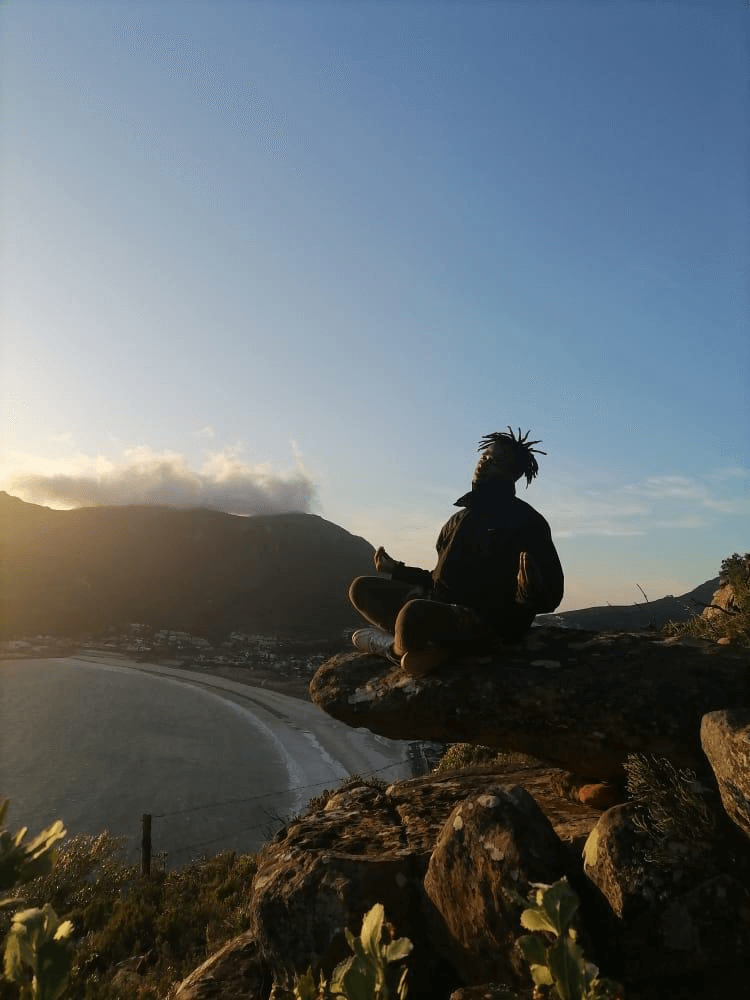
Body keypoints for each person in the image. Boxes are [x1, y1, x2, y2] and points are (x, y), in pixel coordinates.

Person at [348, 428, 564, 676]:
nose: (484, 463)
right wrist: (396, 570)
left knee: (412, 615)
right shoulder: (458, 519)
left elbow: (551, 595)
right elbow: (440, 578)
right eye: (484, 456)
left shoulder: (527, 522)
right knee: (361, 588)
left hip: (484, 620)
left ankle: (391, 649)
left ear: (512, 473)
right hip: (440, 605)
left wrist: (530, 593)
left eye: (495, 461)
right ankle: (430, 648)